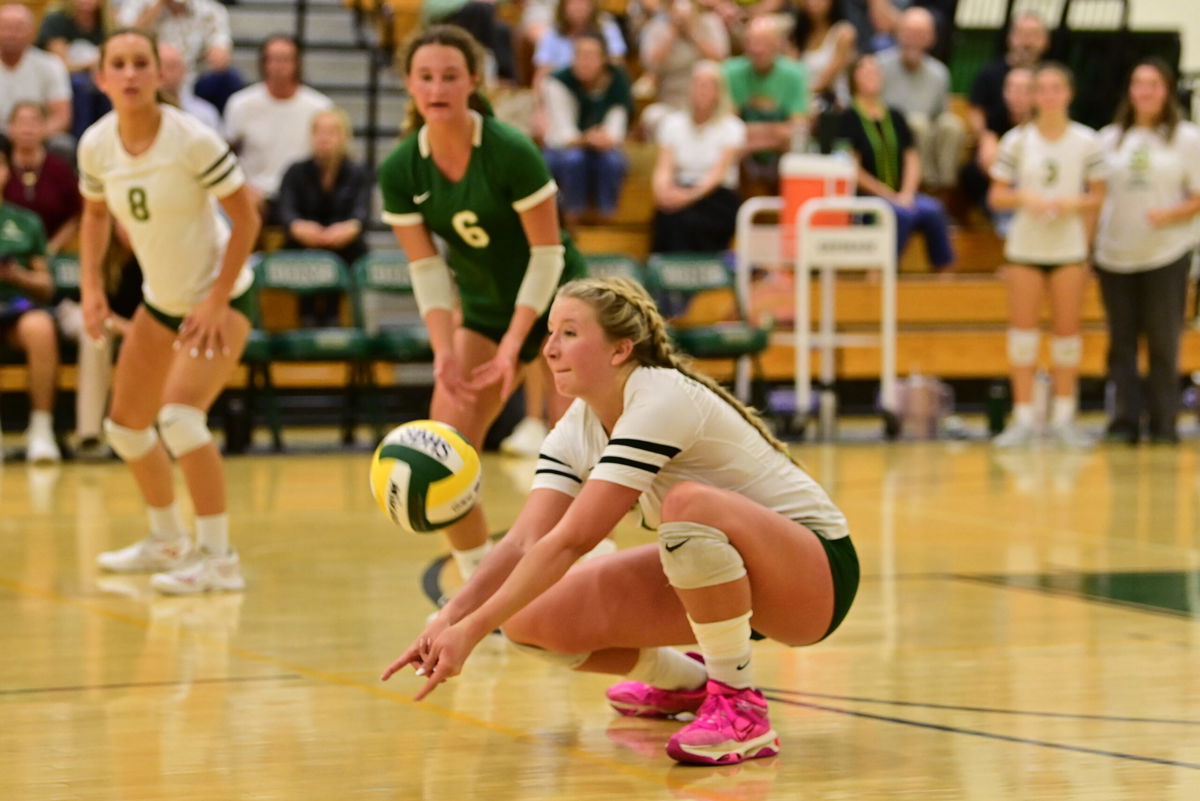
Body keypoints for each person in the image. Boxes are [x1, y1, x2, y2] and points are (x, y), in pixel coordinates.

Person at [381, 276, 859, 767]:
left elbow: (573, 540)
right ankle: (689, 684)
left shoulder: (660, 397)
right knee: (527, 619)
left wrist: (473, 631)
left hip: (815, 575)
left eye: (569, 333)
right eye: (549, 333)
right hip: (730, 574)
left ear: (619, 350)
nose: (548, 349)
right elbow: (527, 541)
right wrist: (449, 617)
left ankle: (739, 705)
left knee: (687, 504)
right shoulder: (577, 427)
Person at [377, 25, 587, 582]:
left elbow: (547, 254)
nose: (438, 87)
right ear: (409, 85)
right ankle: (475, 581)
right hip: (487, 308)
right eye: (425, 77)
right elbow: (425, 268)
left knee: (572, 450)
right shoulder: (401, 169)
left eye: (450, 75)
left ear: (474, 81)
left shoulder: (509, 151)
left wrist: (519, 345)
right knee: (442, 448)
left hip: (563, 306)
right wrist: (444, 350)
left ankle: (578, 566)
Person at [80, 28, 260, 593]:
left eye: (141, 63)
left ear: (160, 75)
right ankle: (165, 540)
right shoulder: (96, 144)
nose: (131, 74)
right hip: (161, 301)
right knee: (126, 428)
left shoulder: (191, 140)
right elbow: (94, 216)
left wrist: (213, 300)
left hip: (222, 298)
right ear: (102, 77)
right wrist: (91, 288)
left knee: (180, 419)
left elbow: (248, 218)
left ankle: (219, 558)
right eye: (120, 64)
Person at [988, 62, 1106, 448]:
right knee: (1022, 335)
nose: (1050, 95)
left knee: (1067, 335)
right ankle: (1022, 418)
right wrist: (1026, 197)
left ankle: (1063, 418)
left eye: (1057, 87)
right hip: (1025, 248)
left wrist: (1071, 204)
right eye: (1043, 88)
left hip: (1068, 248)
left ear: (1068, 93)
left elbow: (1099, 196)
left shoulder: (1086, 142)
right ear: (1034, 96)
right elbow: (997, 195)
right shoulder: (1017, 141)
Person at [1094, 59, 1200, 445]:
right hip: (1115, 254)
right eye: (1138, 83)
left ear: (1167, 90)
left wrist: (1171, 213)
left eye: (1153, 84)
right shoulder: (1108, 139)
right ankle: (1124, 420)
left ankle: (1164, 421)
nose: (1145, 91)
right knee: (1120, 342)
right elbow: (1096, 194)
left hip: (1166, 252)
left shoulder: (1187, 138)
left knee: (1162, 340)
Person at [839, 54, 954, 270]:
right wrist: (888, 195)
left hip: (901, 195)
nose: (872, 76)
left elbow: (911, 159)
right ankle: (880, 275)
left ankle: (944, 280)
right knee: (896, 216)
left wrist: (907, 194)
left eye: (875, 71)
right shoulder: (847, 118)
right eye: (865, 72)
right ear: (853, 79)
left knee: (933, 210)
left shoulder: (895, 115)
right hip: (867, 198)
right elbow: (851, 169)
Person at [277, 107, 372, 325]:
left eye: (331, 132)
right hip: (303, 246)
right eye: (319, 132)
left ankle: (337, 318)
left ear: (344, 137)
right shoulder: (295, 171)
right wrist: (298, 226)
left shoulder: (357, 172)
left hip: (344, 247)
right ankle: (304, 317)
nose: (324, 138)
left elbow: (362, 214)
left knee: (353, 253)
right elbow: (285, 211)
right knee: (294, 251)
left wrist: (348, 228)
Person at [223, 35, 332, 224]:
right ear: (263, 63)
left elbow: (328, 158)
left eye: (285, 59)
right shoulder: (241, 104)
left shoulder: (319, 107)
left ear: (297, 63)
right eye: (273, 59)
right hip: (255, 193)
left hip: (303, 197)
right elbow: (226, 155)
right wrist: (243, 188)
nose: (279, 66)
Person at [0, 133, 61, 463]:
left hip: (16, 306)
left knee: (40, 327)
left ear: (7, 169)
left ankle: (41, 428)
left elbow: (45, 285)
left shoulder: (24, 221)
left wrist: (17, 275)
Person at [651, 60, 746, 253]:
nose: (701, 90)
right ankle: (666, 276)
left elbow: (717, 175)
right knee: (666, 216)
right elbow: (663, 167)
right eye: (697, 83)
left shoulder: (732, 128)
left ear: (719, 91)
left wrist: (686, 197)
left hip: (716, 195)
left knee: (692, 220)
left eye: (708, 85)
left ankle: (701, 275)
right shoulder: (672, 124)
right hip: (680, 186)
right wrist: (663, 192)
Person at [541, 31, 633, 225]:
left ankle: (607, 221)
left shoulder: (617, 81)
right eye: (580, 56)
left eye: (592, 56)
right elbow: (564, 135)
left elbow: (616, 129)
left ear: (604, 59)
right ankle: (573, 218)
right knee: (574, 159)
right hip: (561, 150)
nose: (585, 62)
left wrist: (605, 139)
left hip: (600, 149)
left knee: (612, 161)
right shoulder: (557, 82)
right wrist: (587, 139)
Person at [877, 6, 962, 190]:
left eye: (921, 34)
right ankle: (923, 183)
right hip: (890, 135)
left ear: (932, 38)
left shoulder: (940, 72)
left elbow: (942, 114)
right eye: (909, 33)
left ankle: (945, 187)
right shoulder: (879, 65)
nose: (914, 39)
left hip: (928, 135)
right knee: (918, 123)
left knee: (952, 126)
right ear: (898, 34)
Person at [722, 16, 808, 195]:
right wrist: (773, 133)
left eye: (763, 42)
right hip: (743, 155)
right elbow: (727, 127)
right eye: (751, 42)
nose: (756, 49)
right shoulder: (729, 71)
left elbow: (797, 128)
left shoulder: (795, 74)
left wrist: (753, 137)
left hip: (779, 153)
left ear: (778, 44)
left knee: (798, 144)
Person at [117, 0, 244, 113]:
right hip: (150, 78)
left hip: (194, 80)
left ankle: (222, 134)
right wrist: (158, 6)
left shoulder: (212, 11)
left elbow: (222, 50)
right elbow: (125, 41)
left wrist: (218, 54)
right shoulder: (136, 5)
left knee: (229, 78)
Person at [637, 0, 729, 139]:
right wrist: (672, 34)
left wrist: (692, 33)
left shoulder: (710, 23)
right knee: (652, 116)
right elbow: (651, 66)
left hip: (707, 106)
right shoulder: (655, 28)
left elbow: (720, 60)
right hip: (671, 103)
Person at [968, 11, 1048, 163]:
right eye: (1023, 34)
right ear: (1010, 37)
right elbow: (976, 111)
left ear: (1045, 40)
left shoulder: (1049, 77)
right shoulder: (989, 72)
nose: (1028, 42)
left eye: (1034, 35)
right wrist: (985, 138)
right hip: (994, 144)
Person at [0, 4, 73, 143]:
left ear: (32, 32)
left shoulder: (51, 64)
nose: (11, 33)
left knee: (63, 144)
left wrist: (31, 134)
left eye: (18, 28)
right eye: (5, 27)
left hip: (40, 137)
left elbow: (61, 117)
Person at [791, 0, 855, 112]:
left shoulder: (844, 32)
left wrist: (800, 94)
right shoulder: (800, 36)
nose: (813, 3)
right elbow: (792, 71)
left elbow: (826, 81)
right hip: (804, 103)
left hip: (834, 105)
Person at [158, 41, 221, 134]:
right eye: (159, 67)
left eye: (171, 66)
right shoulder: (138, 114)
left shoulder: (206, 114)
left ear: (184, 70)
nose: (163, 73)